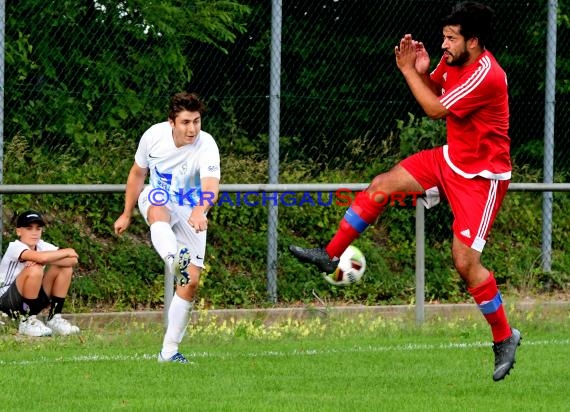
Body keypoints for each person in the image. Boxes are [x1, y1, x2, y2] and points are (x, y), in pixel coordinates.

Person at [289, 1, 521, 382]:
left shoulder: (487, 74)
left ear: (474, 42)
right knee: (381, 186)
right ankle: (329, 256)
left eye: (451, 38)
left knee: (465, 263)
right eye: (443, 36)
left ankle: (504, 336)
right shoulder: (454, 61)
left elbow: (433, 109)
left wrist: (407, 73)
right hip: (450, 159)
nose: (443, 44)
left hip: (481, 177)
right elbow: (436, 91)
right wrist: (424, 73)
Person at [114, 92, 220, 364]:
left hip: (190, 207)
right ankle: (174, 260)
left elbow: (210, 186)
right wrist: (126, 213)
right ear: (171, 122)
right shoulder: (153, 136)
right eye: (185, 122)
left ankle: (169, 352)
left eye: (196, 121)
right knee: (158, 209)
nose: (192, 128)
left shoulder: (206, 144)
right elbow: (138, 173)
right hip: (157, 195)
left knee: (191, 283)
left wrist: (199, 210)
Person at [0, 210, 80, 336]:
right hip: (7, 302)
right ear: (19, 231)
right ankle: (27, 321)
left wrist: (47, 259)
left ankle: (54, 318)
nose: (34, 232)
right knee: (35, 269)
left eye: (38, 228)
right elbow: (41, 259)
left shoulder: (41, 245)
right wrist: (67, 250)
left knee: (64, 267)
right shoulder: (15, 246)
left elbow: (73, 260)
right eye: (29, 228)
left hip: (31, 300)